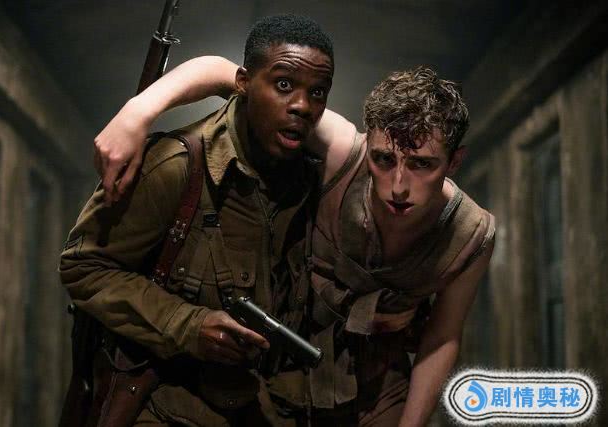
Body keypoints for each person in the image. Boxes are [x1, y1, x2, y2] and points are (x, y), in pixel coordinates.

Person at [93, 58, 495, 426]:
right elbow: (226, 73)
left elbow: (442, 337)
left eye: (422, 165)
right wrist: (136, 115)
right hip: (277, 375)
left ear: (454, 162)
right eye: (384, 160)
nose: (399, 186)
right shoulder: (344, 154)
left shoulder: (472, 233)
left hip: (376, 390)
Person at [60, 15, 335, 426]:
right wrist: (189, 326)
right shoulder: (178, 167)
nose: (302, 105)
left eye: (317, 92)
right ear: (243, 83)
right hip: (165, 406)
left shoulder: (312, 178)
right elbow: (83, 266)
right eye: (283, 85)